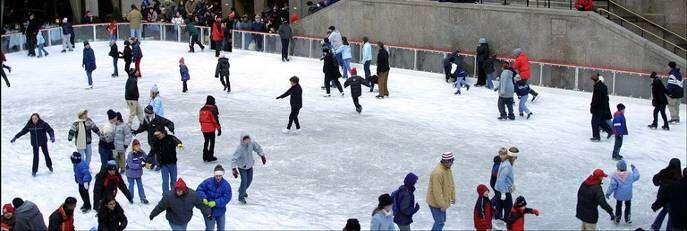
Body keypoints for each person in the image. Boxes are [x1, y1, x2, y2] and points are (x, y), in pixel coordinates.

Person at [231, 133, 266, 204]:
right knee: (244, 181)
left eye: (248, 139)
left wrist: (262, 155)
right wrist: (234, 169)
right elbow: (234, 159)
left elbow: (258, 148)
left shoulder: (252, 143)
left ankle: (242, 190)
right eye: (245, 139)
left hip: (249, 166)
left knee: (249, 180)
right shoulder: (240, 148)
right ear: (242, 140)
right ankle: (241, 197)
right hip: (242, 167)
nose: (247, 141)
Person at [196, 165, 232, 231]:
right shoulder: (208, 182)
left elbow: (227, 197)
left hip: (220, 211)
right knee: (210, 228)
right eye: (216, 176)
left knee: (221, 228)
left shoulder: (226, 185)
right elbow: (199, 189)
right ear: (214, 174)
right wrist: (203, 198)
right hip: (208, 211)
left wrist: (216, 202)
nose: (218, 177)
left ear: (222, 175)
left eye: (220, 176)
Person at [426, 152, 456, 231]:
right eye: (449, 161)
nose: (451, 163)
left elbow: (451, 183)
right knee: (439, 222)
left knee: (441, 221)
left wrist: (453, 196)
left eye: (452, 161)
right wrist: (442, 205)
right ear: (444, 161)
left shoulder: (447, 169)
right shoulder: (437, 173)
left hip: (443, 201)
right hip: (435, 203)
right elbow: (437, 193)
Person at [651, 158, 682, 231]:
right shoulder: (678, 176)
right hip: (671, 199)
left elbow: (655, 179)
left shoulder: (664, 171)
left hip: (662, 196)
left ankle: (655, 225)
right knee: (671, 214)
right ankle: (668, 229)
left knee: (665, 210)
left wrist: (659, 183)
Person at [605, 160, 639, 224]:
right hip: (628, 195)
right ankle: (627, 218)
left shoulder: (615, 175)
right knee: (628, 205)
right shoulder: (630, 175)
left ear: (618, 168)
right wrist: (634, 169)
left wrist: (608, 193)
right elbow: (637, 176)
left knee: (618, 206)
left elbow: (612, 186)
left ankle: (617, 218)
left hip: (619, 195)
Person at [151, 129, 184, 195]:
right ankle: (165, 196)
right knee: (165, 180)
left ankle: (173, 195)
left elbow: (177, 141)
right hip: (163, 164)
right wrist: (150, 161)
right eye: (156, 135)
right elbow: (152, 152)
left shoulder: (170, 138)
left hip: (172, 163)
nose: (158, 136)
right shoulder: (156, 141)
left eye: (159, 134)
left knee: (173, 180)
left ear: (163, 133)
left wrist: (179, 144)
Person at [494, 147, 517, 221]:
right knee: (508, 208)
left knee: (499, 206)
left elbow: (505, 178)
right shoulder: (507, 166)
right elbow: (501, 180)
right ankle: (506, 222)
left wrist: (511, 184)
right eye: (515, 156)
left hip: (500, 189)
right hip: (503, 190)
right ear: (512, 156)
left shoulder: (506, 162)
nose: (516, 158)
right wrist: (503, 193)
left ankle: (498, 221)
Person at [589, 73, 613, 141]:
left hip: (598, 108)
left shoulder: (598, 87)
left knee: (594, 122)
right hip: (602, 108)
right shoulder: (602, 86)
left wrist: (592, 106)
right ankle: (610, 131)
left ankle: (596, 137)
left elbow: (596, 99)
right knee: (601, 121)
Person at [125, 139, 149, 204]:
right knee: (131, 186)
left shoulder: (141, 152)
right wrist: (141, 165)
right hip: (130, 173)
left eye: (139, 146)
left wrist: (148, 162)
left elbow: (146, 158)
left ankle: (143, 198)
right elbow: (131, 165)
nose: (138, 147)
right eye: (136, 146)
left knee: (140, 185)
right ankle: (130, 198)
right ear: (133, 147)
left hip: (138, 173)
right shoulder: (130, 154)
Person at [199, 96, 222, 162]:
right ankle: (210, 156)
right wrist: (219, 129)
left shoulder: (202, 109)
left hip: (204, 128)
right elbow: (215, 120)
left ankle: (205, 156)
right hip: (211, 129)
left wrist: (202, 127)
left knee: (206, 142)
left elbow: (200, 119)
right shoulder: (212, 109)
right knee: (212, 142)